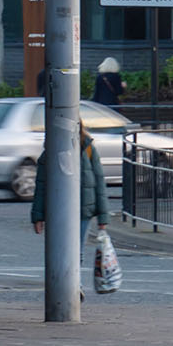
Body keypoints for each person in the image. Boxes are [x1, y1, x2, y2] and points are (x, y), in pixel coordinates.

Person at [31, 117, 111, 295]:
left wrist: (103, 217)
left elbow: (99, 181)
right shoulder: (49, 152)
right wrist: (38, 216)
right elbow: (41, 184)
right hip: (57, 209)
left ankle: (75, 285)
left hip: (83, 209)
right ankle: (67, 284)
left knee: (78, 249)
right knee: (59, 249)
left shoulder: (88, 149)